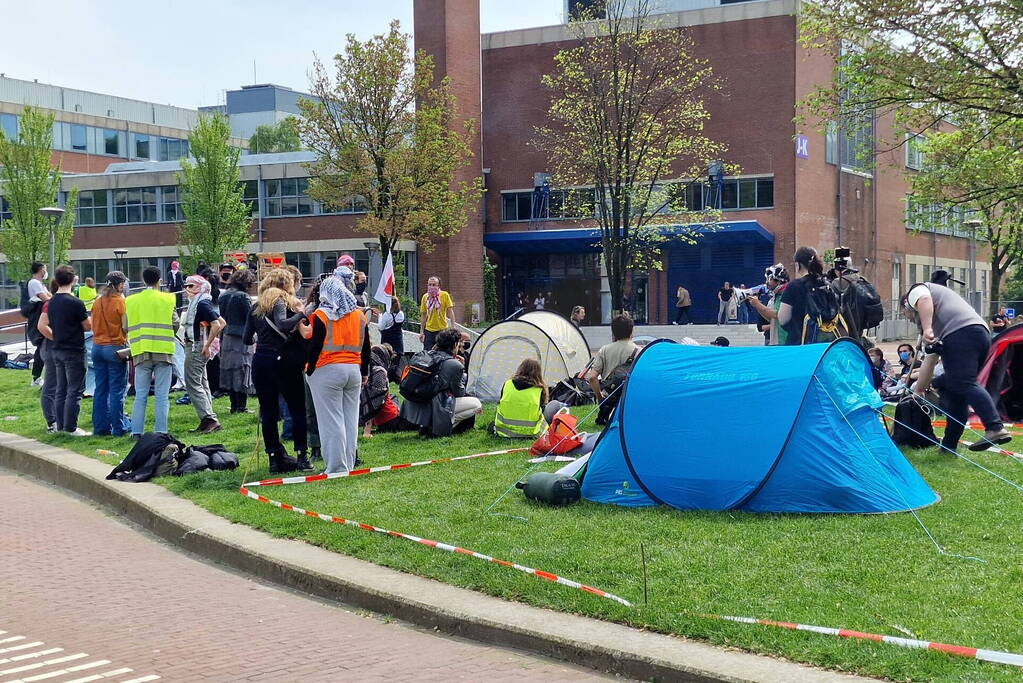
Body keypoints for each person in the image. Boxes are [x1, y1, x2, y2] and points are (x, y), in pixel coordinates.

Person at [903, 281, 1011, 452]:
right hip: (978, 334)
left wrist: (927, 328)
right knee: (955, 392)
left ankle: (995, 427)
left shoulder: (917, 292)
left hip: (962, 333)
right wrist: (919, 390)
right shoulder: (939, 319)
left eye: (905, 314)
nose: (907, 318)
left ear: (906, 305)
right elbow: (931, 359)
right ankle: (948, 446)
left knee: (963, 383)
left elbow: (923, 299)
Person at [246, 268, 312, 473]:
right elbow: (282, 324)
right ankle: (302, 457)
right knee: (297, 409)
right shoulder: (282, 301)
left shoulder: (256, 306)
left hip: (261, 361)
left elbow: (246, 338)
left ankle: (274, 459)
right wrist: (301, 315)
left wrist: (262, 336)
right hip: (284, 361)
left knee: (268, 412)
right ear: (287, 285)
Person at [304, 275, 370, 474]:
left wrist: (309, 369)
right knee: (350, 421)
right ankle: (348, 463)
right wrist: (364, 371)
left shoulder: (321, 315)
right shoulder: (359, 315)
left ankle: (336, 467)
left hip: (327, 370)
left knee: (331, 421)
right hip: (353, 370)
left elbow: (314, 346)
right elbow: (366, 346)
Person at [37, 265, 91, 435]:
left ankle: (60, 426)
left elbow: (43, 324)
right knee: (74, 390)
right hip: (74, 349)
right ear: (73, 280)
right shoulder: (76, 302)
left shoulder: (51, 302)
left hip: (57, 350)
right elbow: (87, 326)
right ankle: (70, 428)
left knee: (61, 389)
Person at [399, 327, 482, 437]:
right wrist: (461, 370)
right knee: (476, 404)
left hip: (413, 404)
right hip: (433, 406)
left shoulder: (422, 355)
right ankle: (441, 426)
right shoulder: (454, 364)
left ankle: (426, 426)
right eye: (459, 343)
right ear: (455, 344)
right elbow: (459, 393)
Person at [126, 266, 179, 437]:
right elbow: (175, 323)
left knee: (140, 395)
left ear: (143, 280)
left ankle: (136, 432)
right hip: (163, 351)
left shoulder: (131, 300)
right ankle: (161, 432)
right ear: (160, 280)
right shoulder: (168, 299)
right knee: (162, 395)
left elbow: (125, 325)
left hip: (141, 351)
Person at [182, 274, 225, 433]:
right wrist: (208, 340)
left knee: (193, 383)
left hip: (196, 346)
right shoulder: (202, 301)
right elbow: (221, 322)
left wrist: (207, 344)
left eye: (191, 286)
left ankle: (209, 418)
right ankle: (208, 418)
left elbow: (217, 324)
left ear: (200, 287)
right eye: (186, 286)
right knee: (201, 382)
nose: (187, 289)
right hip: (198, 345)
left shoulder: (201, 303)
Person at [89, 271, 130, 436]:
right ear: (119, 285)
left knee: (100, 389)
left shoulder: (97, 301)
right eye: (123, 284)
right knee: (117, 390)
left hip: (97, 347)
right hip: (115, 347)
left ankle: (100, 428)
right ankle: (118, 428)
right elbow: (125, 326)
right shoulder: (120, 301)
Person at [779, 247, 840, 345]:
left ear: (798, 265)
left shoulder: (793, 286)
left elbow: (783, 319)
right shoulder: (827, 284)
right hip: (826, 344)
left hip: (800, 343)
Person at [586, 315, 639, 424]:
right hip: (629, 402)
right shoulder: (639, 351)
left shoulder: (604, 350)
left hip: (609, 400)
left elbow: (592, 377)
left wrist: (600, 397)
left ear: (613, 332)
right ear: (631, 331)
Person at [494, 358, 566, 438]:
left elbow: (500, 403)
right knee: (556, 404)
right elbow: (542, 408)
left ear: (520, 369)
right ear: (538, 373)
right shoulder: (539, 389)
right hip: (531, 433)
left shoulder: (507, 384)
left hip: (504, 430)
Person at [219, 268, 257, 414]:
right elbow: (251, 317)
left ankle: (233, 405)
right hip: (242, 338)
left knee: (230, 371)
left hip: (227, 336)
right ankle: (242, 406)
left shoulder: (224, 295)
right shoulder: (243, 297)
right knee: (243, 370)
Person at [27, 262, 52, 387]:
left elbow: (50, 296)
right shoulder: (34, 283)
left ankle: (38, 376)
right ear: (41, 270)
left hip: (41, 314)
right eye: (45, 269)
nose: (46, 272)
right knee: (42, 345)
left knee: (43, 346)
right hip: (38, 315)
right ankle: (36, 377)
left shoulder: (40, 284)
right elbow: (45, 298)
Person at [419, 276, 455, 351]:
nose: (431, 287)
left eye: (434, 285)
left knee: (443, 351)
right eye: (429, 284)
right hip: (429, 330)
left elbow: (450, 311)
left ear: (438, 286)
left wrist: (452, 327)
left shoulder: (445, 295)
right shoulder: (425, 297)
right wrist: (421, 331)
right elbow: (423, 314)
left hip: (442, 329)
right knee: (428, 352)